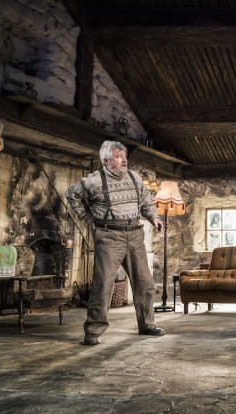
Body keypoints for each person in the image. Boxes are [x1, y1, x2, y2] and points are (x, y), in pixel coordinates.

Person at [66, 141, 165, 346]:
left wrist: (153, 218)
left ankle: (147, 324)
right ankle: (93, 331)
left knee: (145, 284)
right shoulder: (93, 181)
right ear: (106, 160)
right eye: (119, 156)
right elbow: (72, 195)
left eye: (124, 156)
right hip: (109, 236)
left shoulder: (134, 177)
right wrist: (88, 218)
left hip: (135, 234)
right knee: (103, 286)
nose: (124, 159)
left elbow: (146, 201)